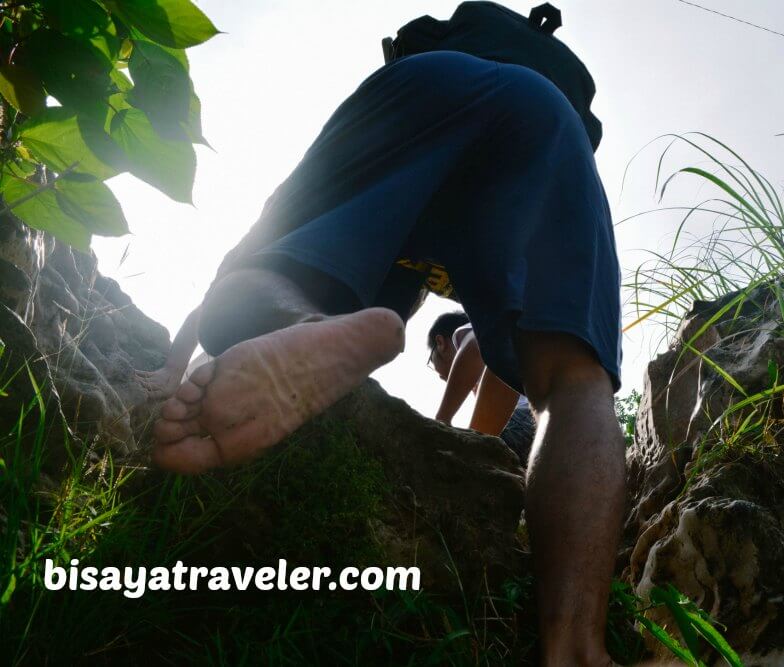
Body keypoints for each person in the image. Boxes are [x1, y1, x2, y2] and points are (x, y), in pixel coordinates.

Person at [144, 46, 624, 666]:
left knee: (272, 261)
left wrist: (169, 365)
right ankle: (579, 651)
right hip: (547, 113)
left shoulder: (404, 282)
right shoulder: (431, 281)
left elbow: (240, 259)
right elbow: (514, 375)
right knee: (573, 382)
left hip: (420, 84)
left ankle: (304, 324)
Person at [427, 310, 536, 465]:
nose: (439, 376)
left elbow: (475, 345)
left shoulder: (469, 331)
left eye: (431, 362)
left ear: (440, 343)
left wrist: (442, 420)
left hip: (520, 419)